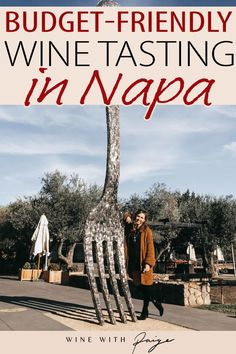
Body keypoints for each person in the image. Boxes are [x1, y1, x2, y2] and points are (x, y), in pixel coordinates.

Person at [124, 209, 164, 320]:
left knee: (146, 287)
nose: (139, 219)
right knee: (139, 286)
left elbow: (151, 249)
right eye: (138, 216)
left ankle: (144, 311)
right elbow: (124, 215)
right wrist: (127, 216)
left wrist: (148, 263)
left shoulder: (147, 231)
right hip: (133, 262)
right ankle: (156, 302)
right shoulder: (130, 228)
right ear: (135, 216)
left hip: (143, 263)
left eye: (142, 217)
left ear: (144, 220)